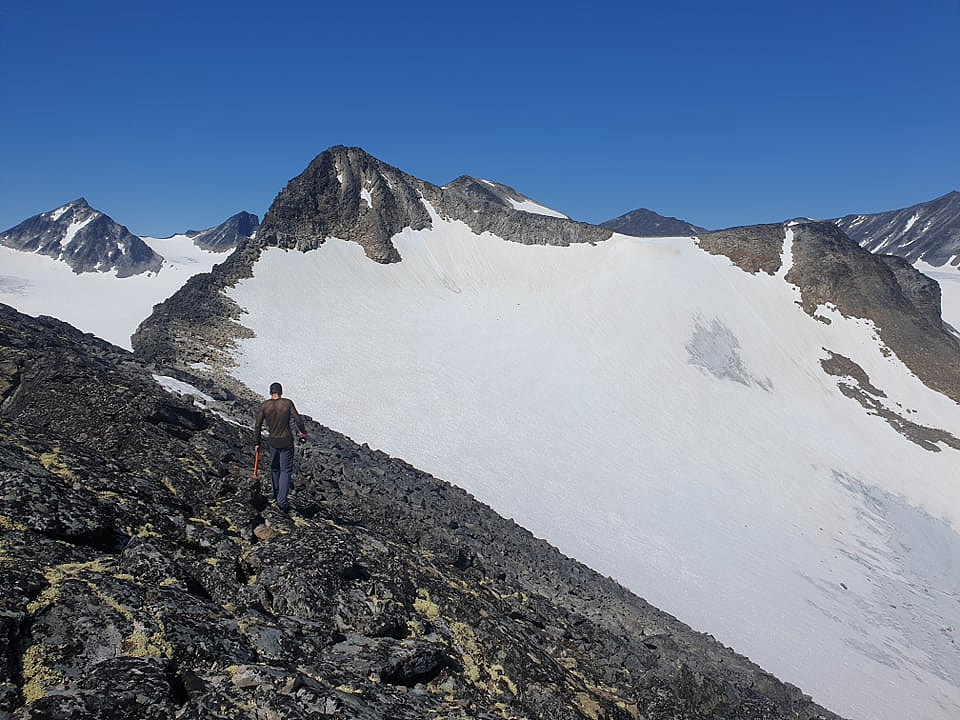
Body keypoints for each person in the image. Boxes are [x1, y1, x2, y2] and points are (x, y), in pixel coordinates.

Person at [254, 382, 307, 513]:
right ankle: (282, 501)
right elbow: (298, 420)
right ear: (281, 391)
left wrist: (257, 443)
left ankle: (274, 493)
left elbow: (257, 426)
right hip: (286, 441)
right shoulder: (287, 403)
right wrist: (303, 432)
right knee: (286, 470)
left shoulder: (265, 406)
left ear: (270, 392)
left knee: (274, 467)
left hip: (273, 441)